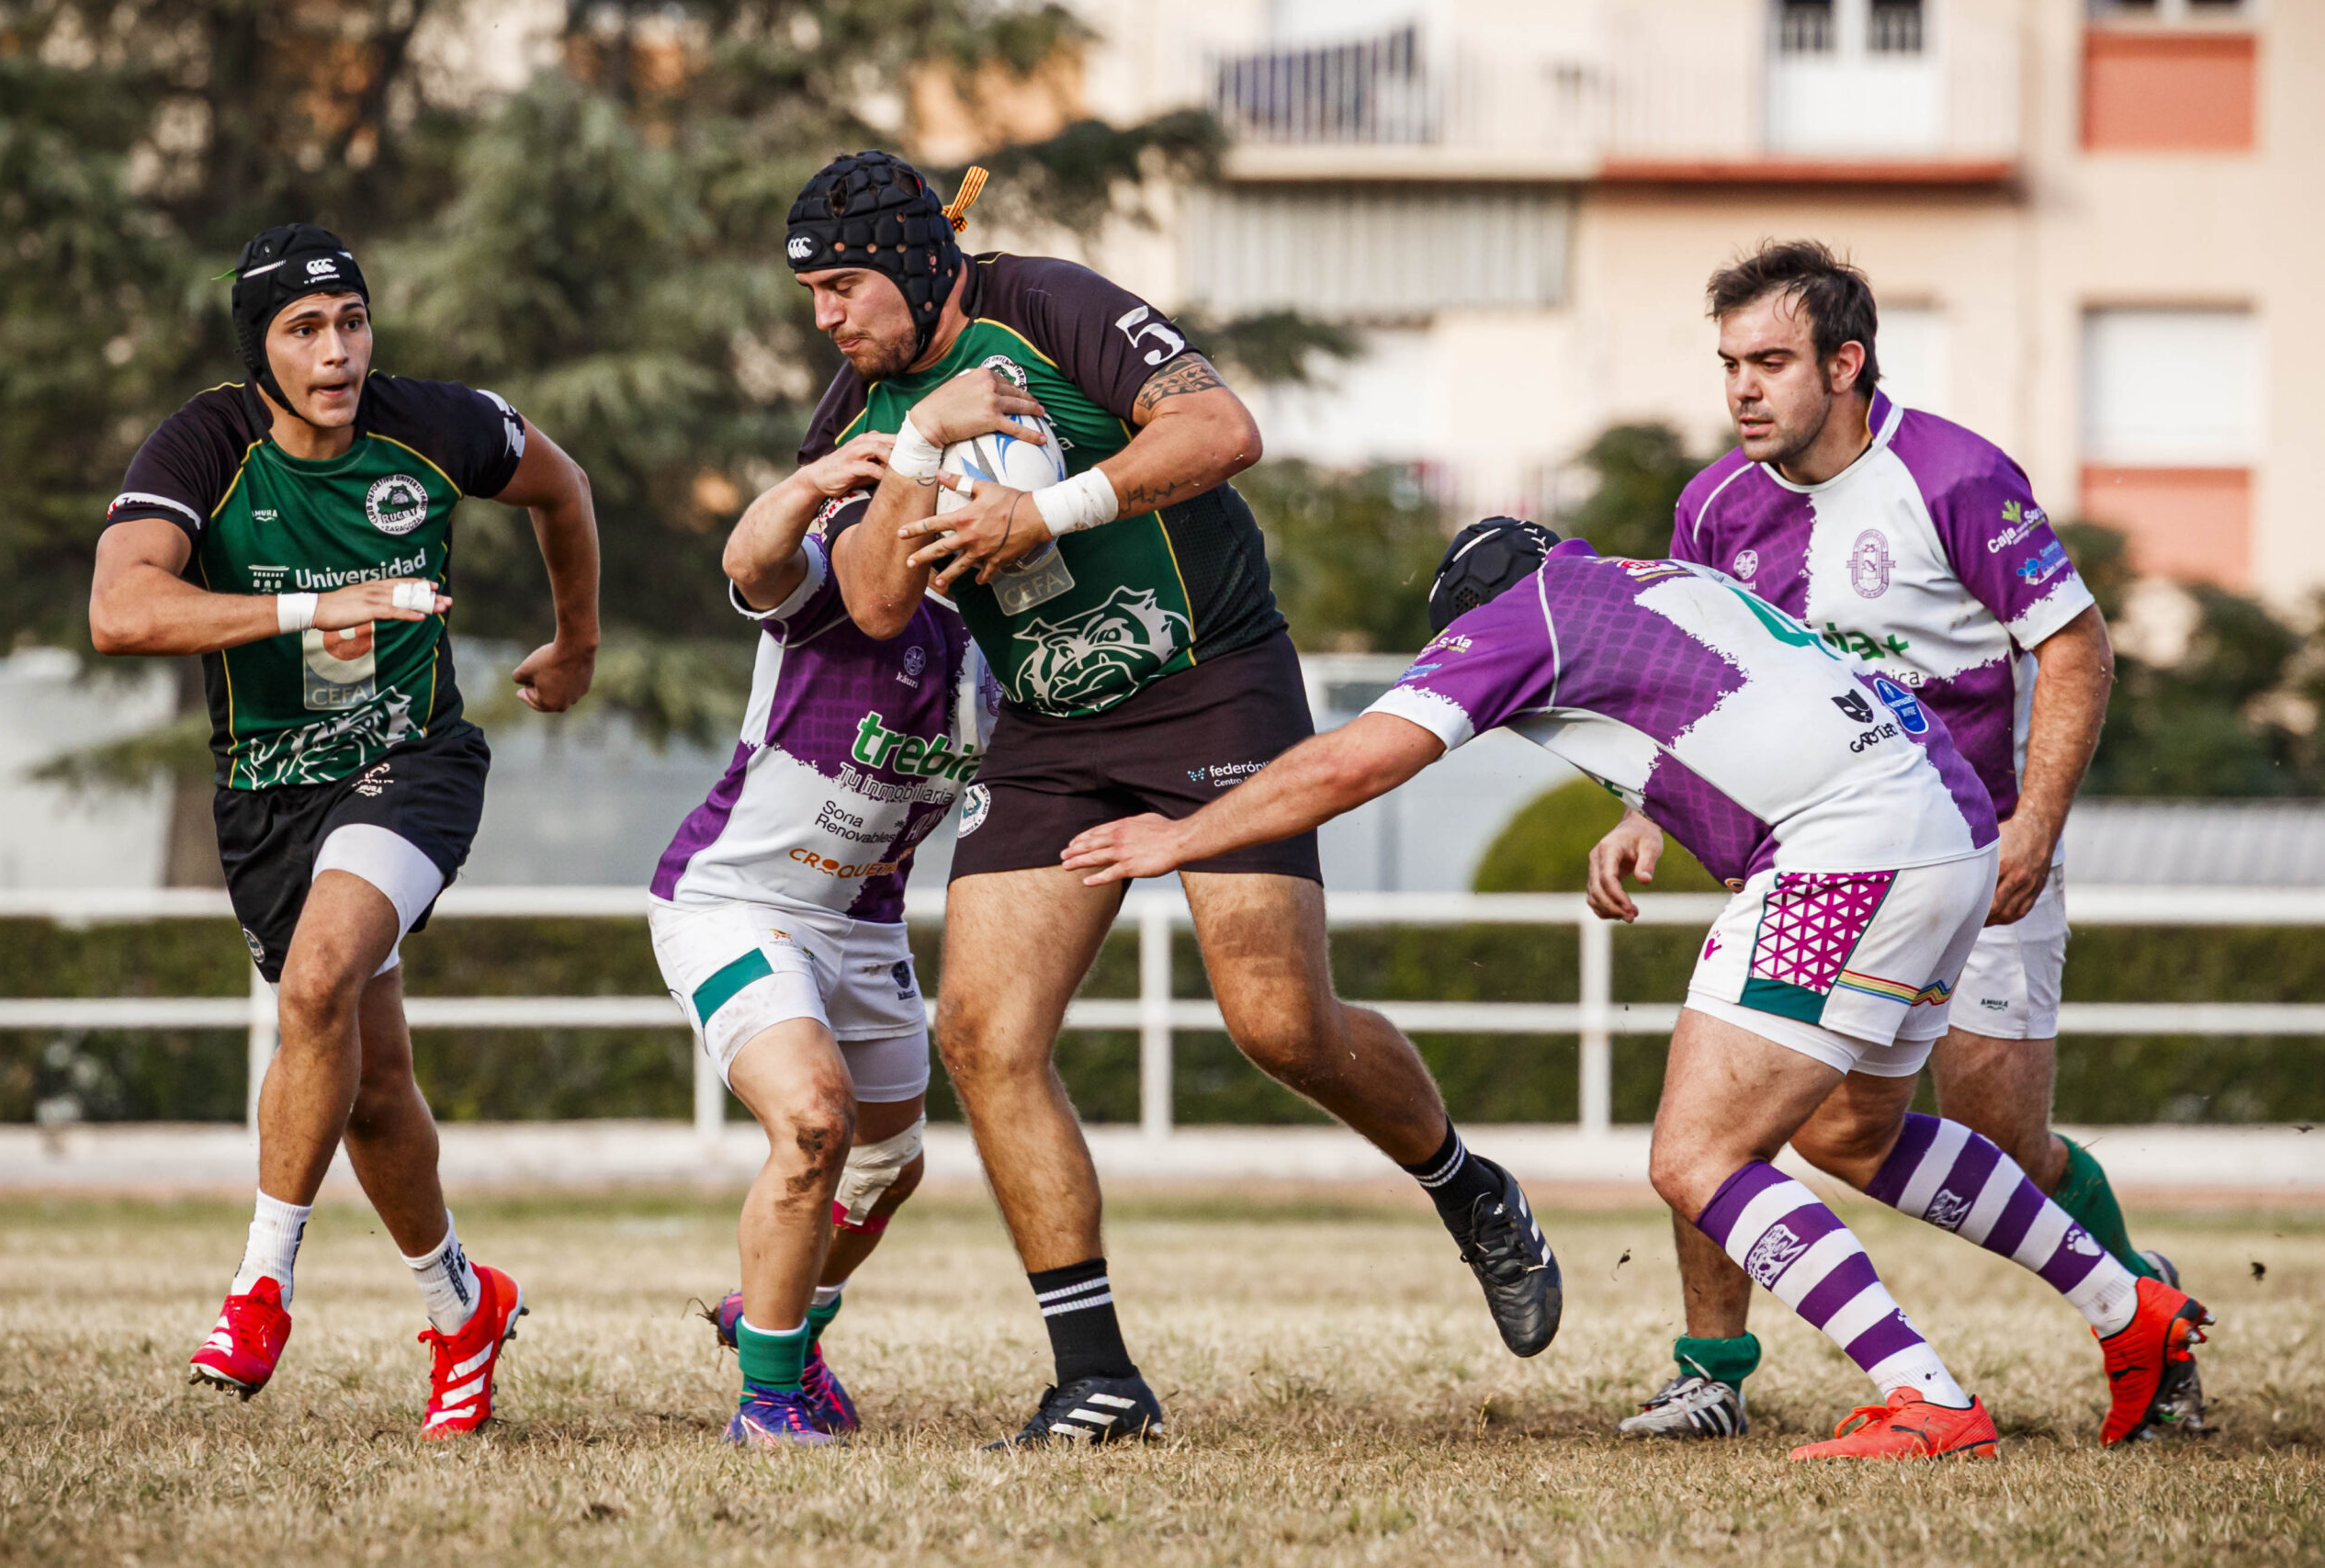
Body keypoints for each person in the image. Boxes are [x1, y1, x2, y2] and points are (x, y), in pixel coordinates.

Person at [1063, 519, 2214, 1460]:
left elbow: (1354, 758)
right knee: (1857, 1135)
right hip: (1946, 824)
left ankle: (1925, 1397)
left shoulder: (1519, 621)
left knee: (1696, 1161)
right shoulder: (1658, 578)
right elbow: (1717, 714)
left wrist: (1181, 837)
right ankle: (2130, 1307)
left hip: (1841, 855)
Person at [783, 151, 1561, 1448]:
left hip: (1212, 684)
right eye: (810, 292)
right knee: (981, 1032)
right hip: (1046, 725)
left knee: (1278, 1023)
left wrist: (1051, 517)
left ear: (923, 261)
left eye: (844, 285)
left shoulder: (1054, 302)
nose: (825, 316)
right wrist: (913, 445)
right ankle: (1097, 1373)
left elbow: (1221, 430)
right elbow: (870, 601)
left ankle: (1465, 1182)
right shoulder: (867, 402)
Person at [1600, 239, 2198, 1440]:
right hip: (1814, 857)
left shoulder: (1958, 477)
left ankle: (2147, 1317)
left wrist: (2036, 819)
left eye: (1771, 361)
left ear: (1846, 361)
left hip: (1980, 852)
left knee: (1998, 1131)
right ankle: (1711, 1363)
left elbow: (2075, 649)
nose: (1743, 389)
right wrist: (1643, 806)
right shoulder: (1714, 505)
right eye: (1729, 364)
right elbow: (1698, 678)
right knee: (1726, 1103)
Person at [89, 223, 601, 1438]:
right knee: (366, 1092)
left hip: (411, 765)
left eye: (353, 321)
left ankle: (261, 1282)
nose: (337, 351)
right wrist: (326, 602)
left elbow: (562, 485)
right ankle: (461, 1304)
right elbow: (121, 607)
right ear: (259, 353)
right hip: (267, 793)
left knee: (316, 982)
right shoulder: (205, 442)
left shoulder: (437, 424)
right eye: (305, 330)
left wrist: (577, 639)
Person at [646, 427, 989, 1448]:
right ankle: (767, 1400)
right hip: (735, 902)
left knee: (890, 1167)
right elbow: (750, 561)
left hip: (865, 923)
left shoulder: (995, 658)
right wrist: (806, 484)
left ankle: (781, 1317)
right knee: (810, 1127)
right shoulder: (835, 602)